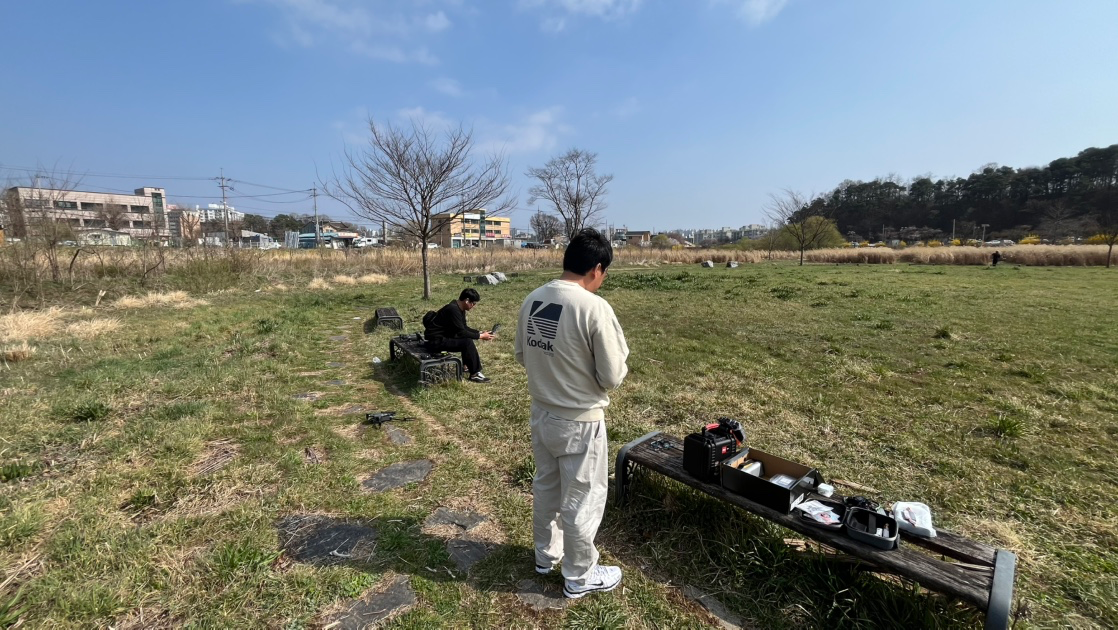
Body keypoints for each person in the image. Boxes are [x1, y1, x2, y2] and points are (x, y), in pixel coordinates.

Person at [514, 228, 630, 599]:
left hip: (541, 413)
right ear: (597, 269)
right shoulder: (594, 307)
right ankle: (580, 576)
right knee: (583, 498)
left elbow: (522, 354)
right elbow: (611, 376)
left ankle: (545, 556)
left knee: (547, 487)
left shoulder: (534, 298)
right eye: (604, 273)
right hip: (581, 421)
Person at [424, 288, 495, 383]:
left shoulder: (459, 308)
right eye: (473, 303)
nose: (473, 306)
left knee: (466, 339)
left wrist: (479, 332)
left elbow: (464, 327)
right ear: (467, 300)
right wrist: (481, 336)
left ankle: (466, 366)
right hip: (435, 342)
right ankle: (475, 374)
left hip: (441, 338)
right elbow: (461, 332)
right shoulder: (453, 309)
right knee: (467, 342)